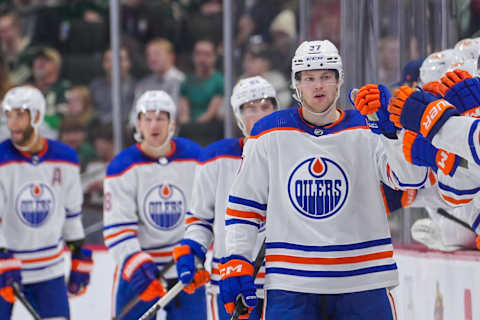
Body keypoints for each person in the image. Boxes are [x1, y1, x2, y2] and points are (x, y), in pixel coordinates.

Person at [219, 40, 428, 320]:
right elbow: (246, 204)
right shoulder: (268, 133)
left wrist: (392, 133)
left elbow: (411, 178)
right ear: (296, 84)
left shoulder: (368, 126)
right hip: (292, 285)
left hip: (363, 280)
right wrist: (237, 258)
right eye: (309, 78)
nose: (318, 86)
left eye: (326, 77)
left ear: (339, 80)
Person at [173, 76, 278, 320]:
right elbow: (200, 219)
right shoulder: (215, 159)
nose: (260, 115)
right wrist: (193, 248)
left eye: (266, 107)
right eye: (251, 108)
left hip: (286, 281)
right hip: (232, 279)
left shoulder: (295, 153)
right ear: (238, 116)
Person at [103, 90, 207, 320]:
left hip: (186, 265)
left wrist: (198, 253)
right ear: (138, 124)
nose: (153, 125)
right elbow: (117, 226)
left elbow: (208, 213)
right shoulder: (122, 166)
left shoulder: (195, 157)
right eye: (147, 119)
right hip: (140, 268)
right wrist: (135, 264)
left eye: (160, 118)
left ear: (172, 123)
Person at [0, 85, 93, 319]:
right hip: (4, 269)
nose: (13, 124)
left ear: (38, 116)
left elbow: (71, 212)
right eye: (9, 115)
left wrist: (78, 251)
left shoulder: (66, 158)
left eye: (19, 115)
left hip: (48, 271)